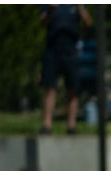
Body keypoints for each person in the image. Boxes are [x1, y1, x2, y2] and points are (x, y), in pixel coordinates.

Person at [39, 4, 93, 135]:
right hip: (52, 49)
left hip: (71, 51)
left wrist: (80, 7)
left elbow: (88, 24)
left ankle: (71, 126)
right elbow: (42, 22)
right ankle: (47, 125)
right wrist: (52, 9)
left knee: (73, 89)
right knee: (50, 87)